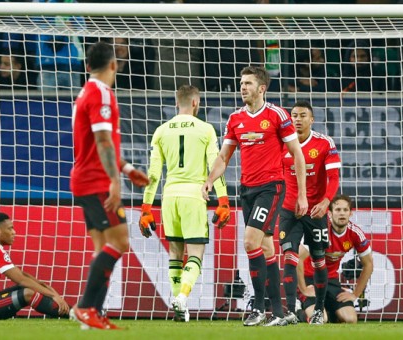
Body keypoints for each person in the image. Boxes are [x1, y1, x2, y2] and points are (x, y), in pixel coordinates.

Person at [203, 66, 308, 327]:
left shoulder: (277, 115)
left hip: (271, 187)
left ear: (261, 88)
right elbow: (224, 157)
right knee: (265, 247)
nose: (242, 87)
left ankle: (259, 307)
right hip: (246, 190)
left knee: (250, 242)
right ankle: (279, 312)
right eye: (241, 82)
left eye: (248, 83)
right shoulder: (235, 119)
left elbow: (297, 153)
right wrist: (208, 180)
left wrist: (302, 195)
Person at [69, 40, 149, 330]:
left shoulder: (86, 92)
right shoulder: (101, 94)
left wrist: (127, 169)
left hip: (85, 177)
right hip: (96, 180)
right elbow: (103, 142)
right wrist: (116, 181)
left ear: (87, 66)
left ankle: (94, 314)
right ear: (114, 65)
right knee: (120, 243)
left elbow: (100, 144)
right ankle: (86, 307)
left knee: (102, 246)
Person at [138, 84, 230, 322]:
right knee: (196, 253)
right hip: (194, 195)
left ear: (176, 103)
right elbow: (215, 165)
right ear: (196, 103)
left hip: (169, 197)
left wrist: (146, 208)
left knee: (175, 254)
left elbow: (154, 174)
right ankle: (183, 297)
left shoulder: (161, 131)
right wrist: (223, 201)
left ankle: (178, 301)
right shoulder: (206, 129)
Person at [279, 101, 341, 325]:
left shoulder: (324, 143)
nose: (297, 119)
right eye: (294, 115)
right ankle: (289, 310)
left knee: (318, 260)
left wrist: (326, 202)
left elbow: (333, 177)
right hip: (290, 209)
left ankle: (319, 309)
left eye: (302, 115)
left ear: (311, 119)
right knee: (289, 256)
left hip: (315, 211)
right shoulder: (282, 143)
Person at [0, 212, 70, 319]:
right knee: (28, 293)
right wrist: (52, 295)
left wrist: (45, 286)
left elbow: (21, 274)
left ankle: (72, 312)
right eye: (10, 228)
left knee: (32, 287)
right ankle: (72, 314)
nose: (14, 232)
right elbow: (21, 280)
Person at [297, 194, 374, 324]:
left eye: (345, 210)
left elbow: (369, 264)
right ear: (330, 213)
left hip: (331, 279)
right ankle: (298, 311)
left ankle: (329, 308)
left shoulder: (355, 233)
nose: (342, 213)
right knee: (321, 319)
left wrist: (355, 294)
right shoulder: (319, 229)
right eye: (338, 210)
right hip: (310, 278)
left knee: (350, 319)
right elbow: (297, 258)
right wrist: (304, 289)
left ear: (350, 214)